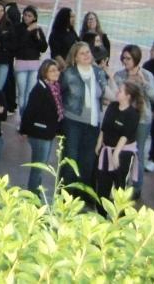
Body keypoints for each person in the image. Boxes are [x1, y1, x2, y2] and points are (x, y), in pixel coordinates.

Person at [60, 41, 113, 197]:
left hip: (93, 124)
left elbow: (108, 93)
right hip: (73, 123)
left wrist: (112, 78)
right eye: (82, 53)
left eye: (88, 52)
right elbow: (59, 94)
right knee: (70, 160)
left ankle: (80, 198)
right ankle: (65, 196)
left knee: (87, 162)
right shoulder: (68, 74)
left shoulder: (98, 72)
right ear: (75, 57)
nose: (86, 55)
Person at [112, 44, 154, 192]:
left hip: (142, 119)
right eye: (123, 58)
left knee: (138, 152)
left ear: (136, 59)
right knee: (120, 149)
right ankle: (119, 183)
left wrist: (144, 83)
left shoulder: (147, 75)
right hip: (124, 118)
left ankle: (137, 187)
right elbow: (114, 95)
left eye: (128, 58)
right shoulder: (120, 75)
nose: (125, 61)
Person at [19, 59, 64, 200]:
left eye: (57, 70)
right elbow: (29, 111)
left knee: (41, 166)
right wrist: (24, 130)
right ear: (44, 73)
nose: (56, 73)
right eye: (52, 70)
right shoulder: (40, 89)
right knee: (38, 167)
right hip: (39, 133)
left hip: (48, 133)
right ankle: (32, 196)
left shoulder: (55, 88)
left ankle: (35, 194)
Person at [94, 82, 143, 204]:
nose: (117, 92)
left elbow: (125, 135)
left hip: (123, 153)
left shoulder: (133, 114)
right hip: (107, 149)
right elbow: (104, 126)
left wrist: (116, 153)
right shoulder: (112, 106)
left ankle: (119, 212)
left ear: (128, 96)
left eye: (120, 91)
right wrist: (99, 143)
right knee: (103, 183)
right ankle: (101, 210)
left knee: (120, 185)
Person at [12, 6, 48, 113]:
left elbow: (43, 48)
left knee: (29, 92)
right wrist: (28, 31)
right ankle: (22, 114)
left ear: (34, 18)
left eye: (29, 16)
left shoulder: (37, 29)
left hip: (34, 65)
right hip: (21, 64)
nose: (26, 18)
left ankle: (25, 117)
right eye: (25, 15)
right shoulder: (18, 28)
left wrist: (38, 37)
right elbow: (17, 45)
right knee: (22, 93)